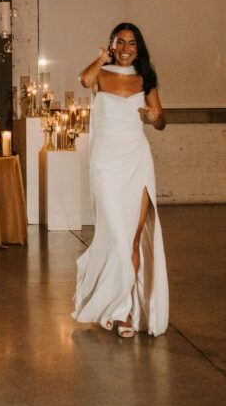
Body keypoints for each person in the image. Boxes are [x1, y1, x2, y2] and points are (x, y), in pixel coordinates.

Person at [71, 23, 168, 338]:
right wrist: (101, 59)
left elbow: (161, 120)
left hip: (136, 162)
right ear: (111, 45)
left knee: (134, 239)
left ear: (138, 48)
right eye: (120, 42)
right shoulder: (100, 74)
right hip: (105, 165)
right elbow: (83, 79)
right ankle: (110, 302)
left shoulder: (145, 79)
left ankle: (124, 311)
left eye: (132, 43)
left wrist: (154, 118)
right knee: (115, 235)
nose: (126, 48)